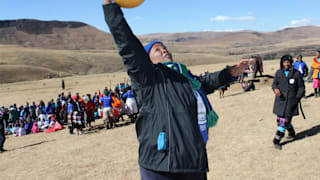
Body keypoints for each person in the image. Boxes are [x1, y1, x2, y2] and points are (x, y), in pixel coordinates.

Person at [103, 1, 254, 179]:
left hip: (193, 161)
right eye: (157, 50)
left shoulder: (185, 77)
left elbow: (206, 82)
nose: (164, 50)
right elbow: (127, 45)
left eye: (164, 47)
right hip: (161, 163)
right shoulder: (147, 78)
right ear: (146, 59)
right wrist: (110, 7)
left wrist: (230, 72)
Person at [272, 55, 305, 150]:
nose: (286, 64)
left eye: (288, 62)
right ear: (282, 63)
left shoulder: (296, 74)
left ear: (291, 63)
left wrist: (297, 98)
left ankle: (276, 140)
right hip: (281, 101)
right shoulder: (279, 73)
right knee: (281, 120)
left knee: (284, 122)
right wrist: (275, 89)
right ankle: (291, 132)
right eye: (284, 62)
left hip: (291, 101)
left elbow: (301, 88)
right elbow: (274, 84)